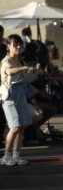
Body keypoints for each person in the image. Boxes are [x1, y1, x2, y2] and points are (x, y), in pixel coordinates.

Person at [1, 35, 38, 166]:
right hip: (10, 96)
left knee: (22, 127)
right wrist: (26, 68)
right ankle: (6, 156)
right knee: (14, 127)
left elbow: (27, 84)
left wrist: (34, 73)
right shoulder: (6, 61)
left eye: (19, 44)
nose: (18, 47)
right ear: (8, 46)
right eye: (15, 44)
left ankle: (16, 155)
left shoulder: (21, 62)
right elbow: (9, 72)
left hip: (21, 95)